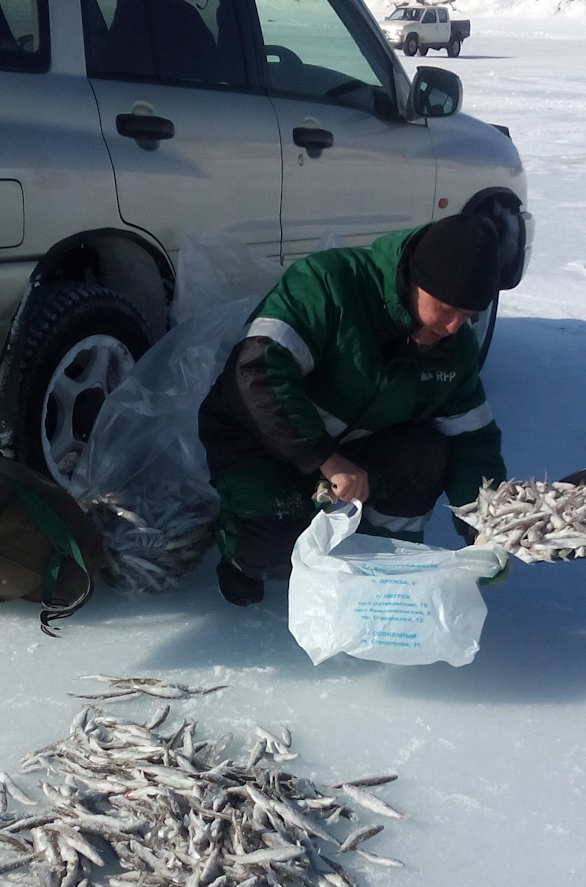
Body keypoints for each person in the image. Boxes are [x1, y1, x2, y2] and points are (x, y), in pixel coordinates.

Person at [198, 213, 506, 606]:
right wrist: (325, 458)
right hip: (260, 437)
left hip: (357, 448)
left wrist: (486, 525)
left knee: (423, 454)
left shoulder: (454, 346)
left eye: (468, 316)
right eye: (445, 308)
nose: (453, 328)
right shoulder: (328, 283)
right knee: (273, 552)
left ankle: (384, 574)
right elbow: (256, 373)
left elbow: (472, 438)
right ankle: (240, 553)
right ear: (414, 280)